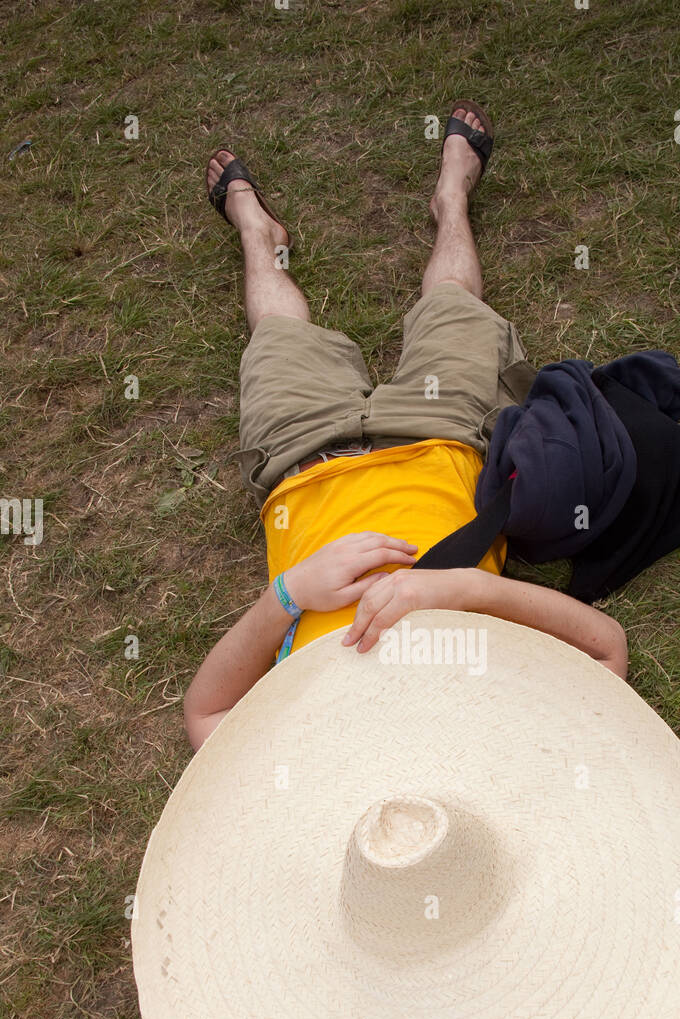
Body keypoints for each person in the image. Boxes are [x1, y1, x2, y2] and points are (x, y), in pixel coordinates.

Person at [184, 104, 628, 751]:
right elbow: (606, 648)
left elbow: (206, 715)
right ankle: (451, 197)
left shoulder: (306, 750)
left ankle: (257, 230)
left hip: (299, 455)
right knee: (452, 303)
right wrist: (462, 588)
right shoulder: (504, 729)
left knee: (278, 336)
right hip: (442, 434)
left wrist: (291, 592)